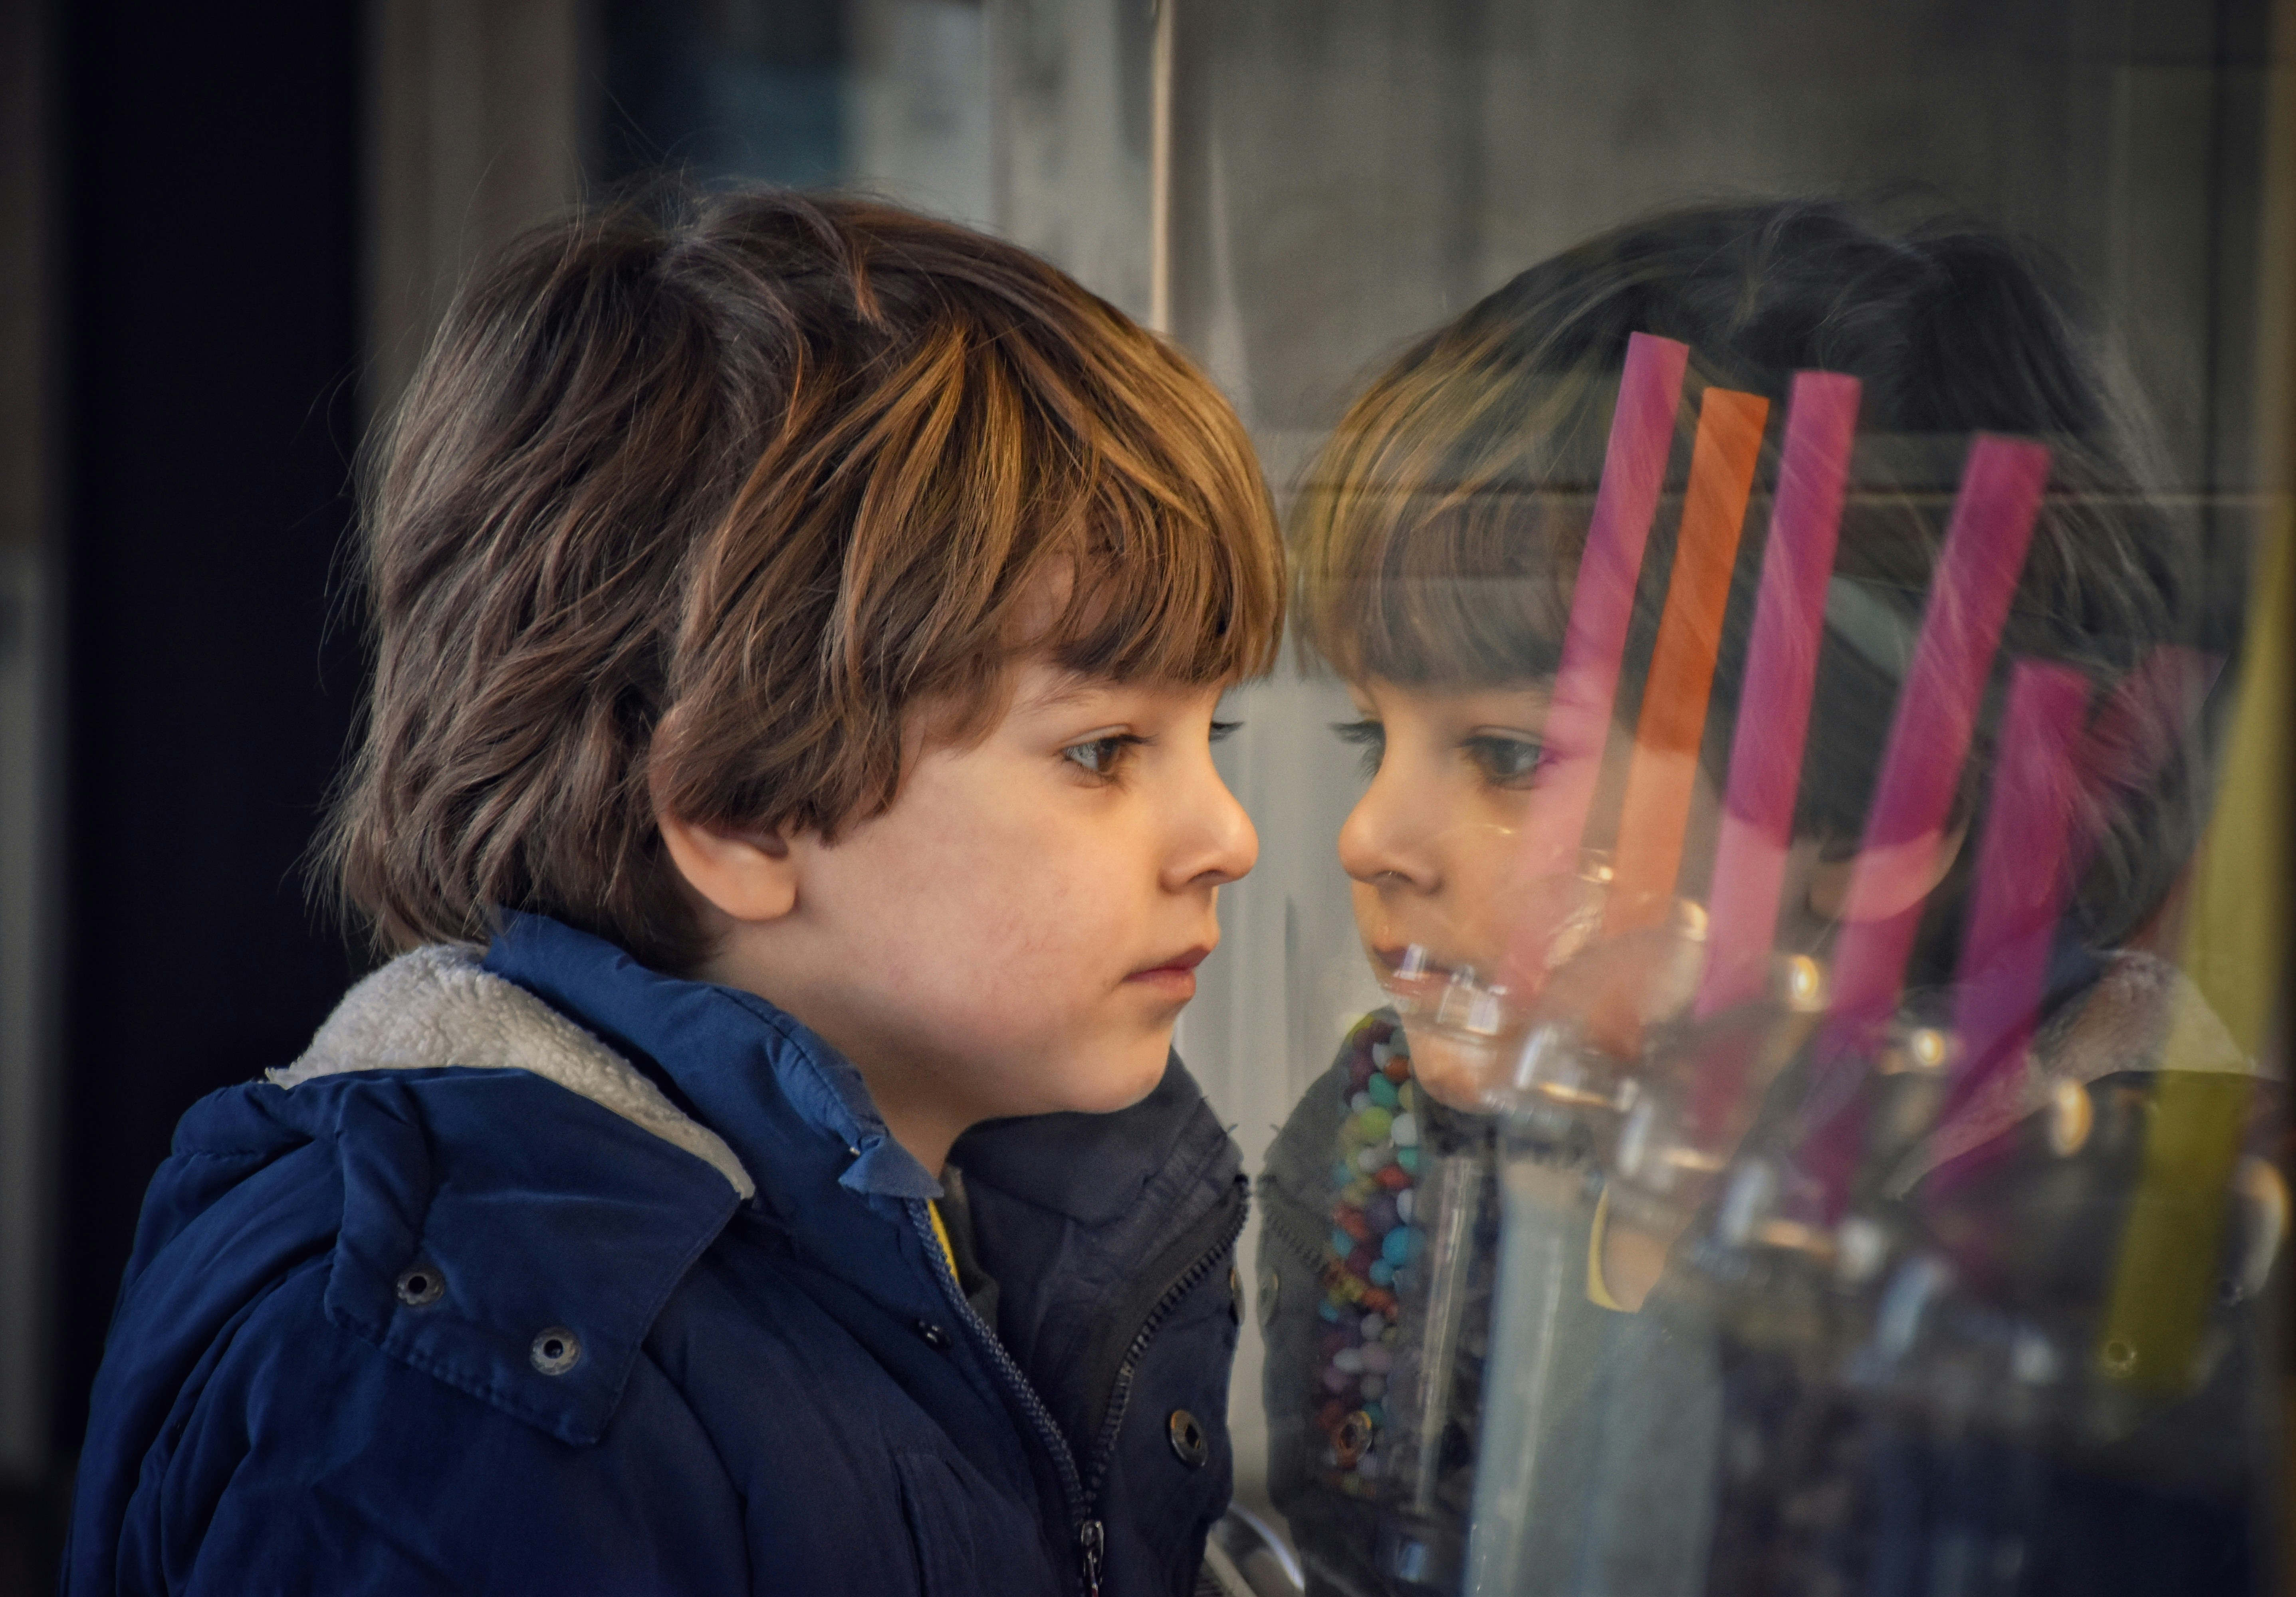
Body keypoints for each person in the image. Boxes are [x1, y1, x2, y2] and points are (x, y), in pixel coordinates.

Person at [64, 188, 1285, 1597]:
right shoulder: (466, 1387)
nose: (1230, 836)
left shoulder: (989, 1220)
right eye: (1103, 750)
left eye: (1217, 737)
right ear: (742, 807)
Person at [1258, 200, 2270, 1596]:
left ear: (1876, 817)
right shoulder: (1380, 1148)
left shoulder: (2108, 1225)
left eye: (1508, 756)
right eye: (1375, 736)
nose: (1371, 836)